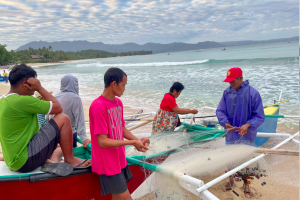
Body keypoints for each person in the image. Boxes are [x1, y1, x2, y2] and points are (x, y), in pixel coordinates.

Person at [0, 64, 91, 174]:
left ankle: (51, 161)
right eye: (34, 82)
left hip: (14, 160)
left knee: (60, 146)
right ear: (26, 84)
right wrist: (40, 88)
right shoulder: (22, 101)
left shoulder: (3, 100)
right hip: (24, 161)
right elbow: (58, 108)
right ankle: (70, 160)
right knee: (63, 118)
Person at [89, 67, 150, 199]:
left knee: (117, 197)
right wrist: (132, 142)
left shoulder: (118, 103)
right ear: (113, 84)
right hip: (107, 162)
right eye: (123, 85)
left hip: (118, 159)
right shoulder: (99, 106)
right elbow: (102, 142)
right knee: (126, 197)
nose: (124, 89)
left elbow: (121, 128)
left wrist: (137, 141)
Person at [216, 67, 265, 145]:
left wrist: (248, 125)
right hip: (230, 135)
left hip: (247, 135)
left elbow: (259, 116)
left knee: (247, 155)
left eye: (233, 81)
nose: (231, 83)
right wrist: (225, 123)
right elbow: (220, 111)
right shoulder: (227, 93)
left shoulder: (253, 93)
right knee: (231, 155)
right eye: (229, 81)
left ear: (240, 78)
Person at [54, 75, 90, 148]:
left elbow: (47, 117)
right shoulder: (75, 98)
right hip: (69, 134)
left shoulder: (56, 96)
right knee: (70, 157)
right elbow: (80, 119)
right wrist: (84, 138)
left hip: (54, 134)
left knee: (59, 157)